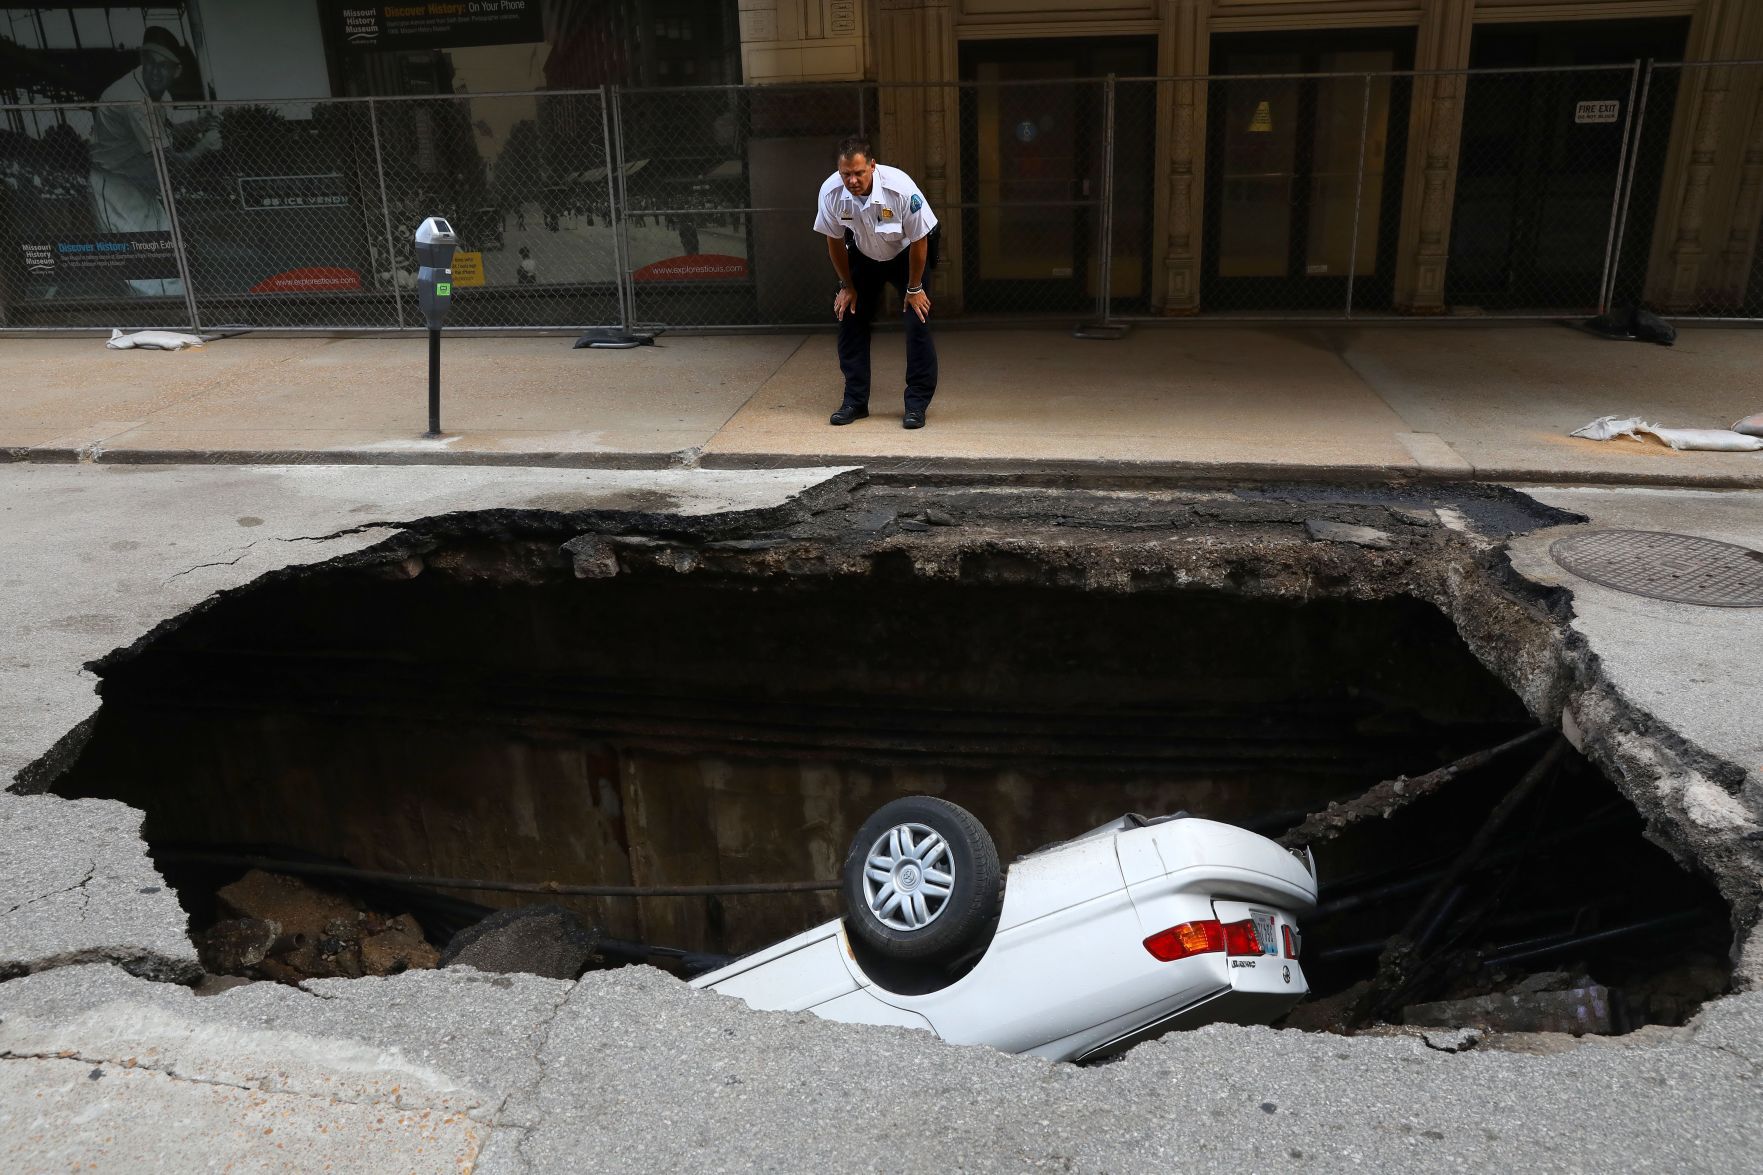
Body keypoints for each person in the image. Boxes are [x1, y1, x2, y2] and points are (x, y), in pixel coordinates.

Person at [813, 136, 939, 429]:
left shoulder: (900, 188)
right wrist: (847, 285)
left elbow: (920, 239)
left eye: (858, 172)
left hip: (907, 254)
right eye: (846, 174)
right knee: (850, 319)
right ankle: (854, 402)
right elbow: (833, 241)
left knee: (916, 323)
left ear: (872, 165)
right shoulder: (830, 193)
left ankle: (916, 405)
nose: (852, 180)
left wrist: (915, 287)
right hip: (864, 254)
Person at [88, 25, 218, 296]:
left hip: (140, 181)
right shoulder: (135, 100)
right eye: (149, 62)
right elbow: (169, 165)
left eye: (164, 65)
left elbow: (165, 133)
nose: (155, 71)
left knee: (166, 251)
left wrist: (196, 123)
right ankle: (155, 320)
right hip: (115, 186)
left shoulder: (157, 93)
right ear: (141, 61)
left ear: (176, 71)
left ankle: (177, 312)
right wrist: (204, 146)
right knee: (144, 265)